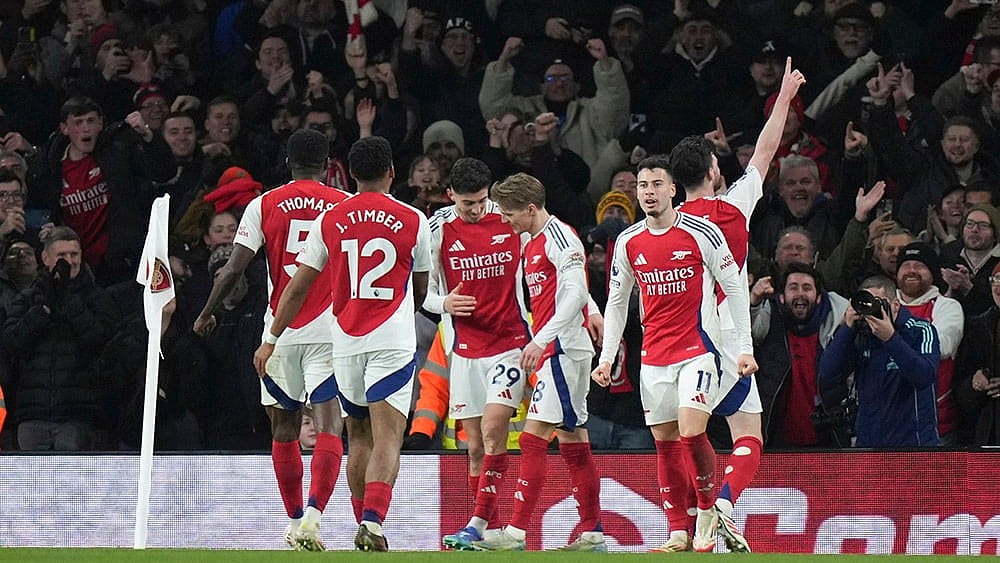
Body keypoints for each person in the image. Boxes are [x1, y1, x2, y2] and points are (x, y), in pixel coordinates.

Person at [253, 136, 431, 553]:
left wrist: (272, 337)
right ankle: (371, 521)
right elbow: (421, 288)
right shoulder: (412, 219)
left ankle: (359, 523)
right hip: (390, 338)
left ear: (350, 174)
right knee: (389, 435)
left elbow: (297, 288)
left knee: (360, 436)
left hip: (345, 341)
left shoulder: (330, 220)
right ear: (391, 172)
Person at [661, 57, 805, 553]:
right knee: (747, 435)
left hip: (683, 339)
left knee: (687, 434)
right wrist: (783, 97)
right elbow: (766, 150)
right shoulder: (736, 204)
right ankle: (718, 504)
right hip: (729, 334)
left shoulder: (669, 222)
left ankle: (695, 522)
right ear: (715, 170)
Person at [194, 128, 351, 551]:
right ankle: (314, 518)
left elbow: (232, 269)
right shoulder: (343, 206)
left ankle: (295, 519)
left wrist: (207, 312)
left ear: (287, 161)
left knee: (283, 426)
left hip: (279, 330)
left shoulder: (263, 204)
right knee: (329, 421)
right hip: (328, 328)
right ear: (326, 163)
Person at [592, 156, 756, 554]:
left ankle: (705, 513)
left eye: (655, 184)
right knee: (664, 442)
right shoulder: (629, 242)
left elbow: (734, 288)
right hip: (653, 357)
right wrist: (607, 356)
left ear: (672, 190)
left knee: (691, 431)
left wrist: (745, 350)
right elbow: (615, 302)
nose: (647, 192)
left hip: (699, 351)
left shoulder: (704, 233)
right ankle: (677, 533)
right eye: (642, 185)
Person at [472, 172, 606, 552]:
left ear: (531, 209)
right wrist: (591, 309)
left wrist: (541, 339)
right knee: (573, 438)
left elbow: (576, 287)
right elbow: (571, 290)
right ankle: (593, 533)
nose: (506, 220)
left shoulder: (559, 237)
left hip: (563, 349)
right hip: (559, 347)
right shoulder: (533, 240)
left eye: (511, 213)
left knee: (532, 438)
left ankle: (515, 533)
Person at [422, 158, 531, 550]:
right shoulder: (436, 229)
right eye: (468, 203)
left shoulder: (509, 222)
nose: (476, 210)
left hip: (510, 344)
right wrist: (444, 304)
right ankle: (491, 532)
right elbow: (423, 293)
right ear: (450, 195)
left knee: (492, 430)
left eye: (482, 201)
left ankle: (475, 524)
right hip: (465, 351)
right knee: (474, 449)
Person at [2, 226, 103, 451]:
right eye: (61, 255)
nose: (69, 261)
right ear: (46, 258)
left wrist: (67, 300)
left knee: (71, 484)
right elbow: (11, 342)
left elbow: (98, 340)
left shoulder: (95, 298)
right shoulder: (27, 299)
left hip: (75, 416)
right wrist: (44, 309)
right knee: (33, 484)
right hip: (32, 413)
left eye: (74, 254)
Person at [818, 275, 941, 447]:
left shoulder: (920, 330)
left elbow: (925, 376)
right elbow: (827, 373)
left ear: (895, 305)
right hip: (869, 446)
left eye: (877, 304)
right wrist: (847, 328)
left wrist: (890, 338)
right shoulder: (860, 335)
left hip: (915, 446)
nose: (870, 312)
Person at [749, 263, 850, 448]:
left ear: (819, 298)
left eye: (807, 288)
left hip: (829, 441)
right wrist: (754, 299)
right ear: (781, 297)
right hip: (775, 442)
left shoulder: (837, 329)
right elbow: (746, 334)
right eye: (793, 287)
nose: (800, 294)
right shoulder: (770, 324)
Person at [895, 242, 964, 445]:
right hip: (890, 424)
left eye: (920, 265)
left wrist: (889, 337)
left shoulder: (947, 307)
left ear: (933, 273)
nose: (912, 270)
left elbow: (941, 347)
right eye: (906, 265)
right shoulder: (883, 304)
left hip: (936, 427)